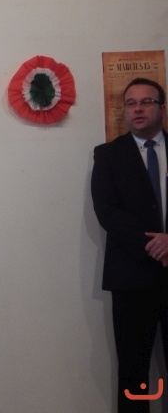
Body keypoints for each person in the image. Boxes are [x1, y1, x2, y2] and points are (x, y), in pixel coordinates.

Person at [91, 77, 168, 412]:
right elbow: (108, 212)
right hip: (131, 277)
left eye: (146, 102)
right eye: (131, 103)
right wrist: (154, 244)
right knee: (134, 374)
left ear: (162, 108)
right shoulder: (109, 155)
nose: (138, 109)